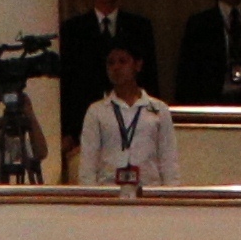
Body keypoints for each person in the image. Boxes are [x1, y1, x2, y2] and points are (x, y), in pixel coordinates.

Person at [74, 39, 175, 192]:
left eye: (122, 61)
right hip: (109, 193)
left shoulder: (159, 109)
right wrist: (90, 198)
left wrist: (170, 195)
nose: (116, 67)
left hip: (148, 193)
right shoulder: (97, 111)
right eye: (111, 63)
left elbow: (169, 159)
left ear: (138, 65)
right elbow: (88, 162)